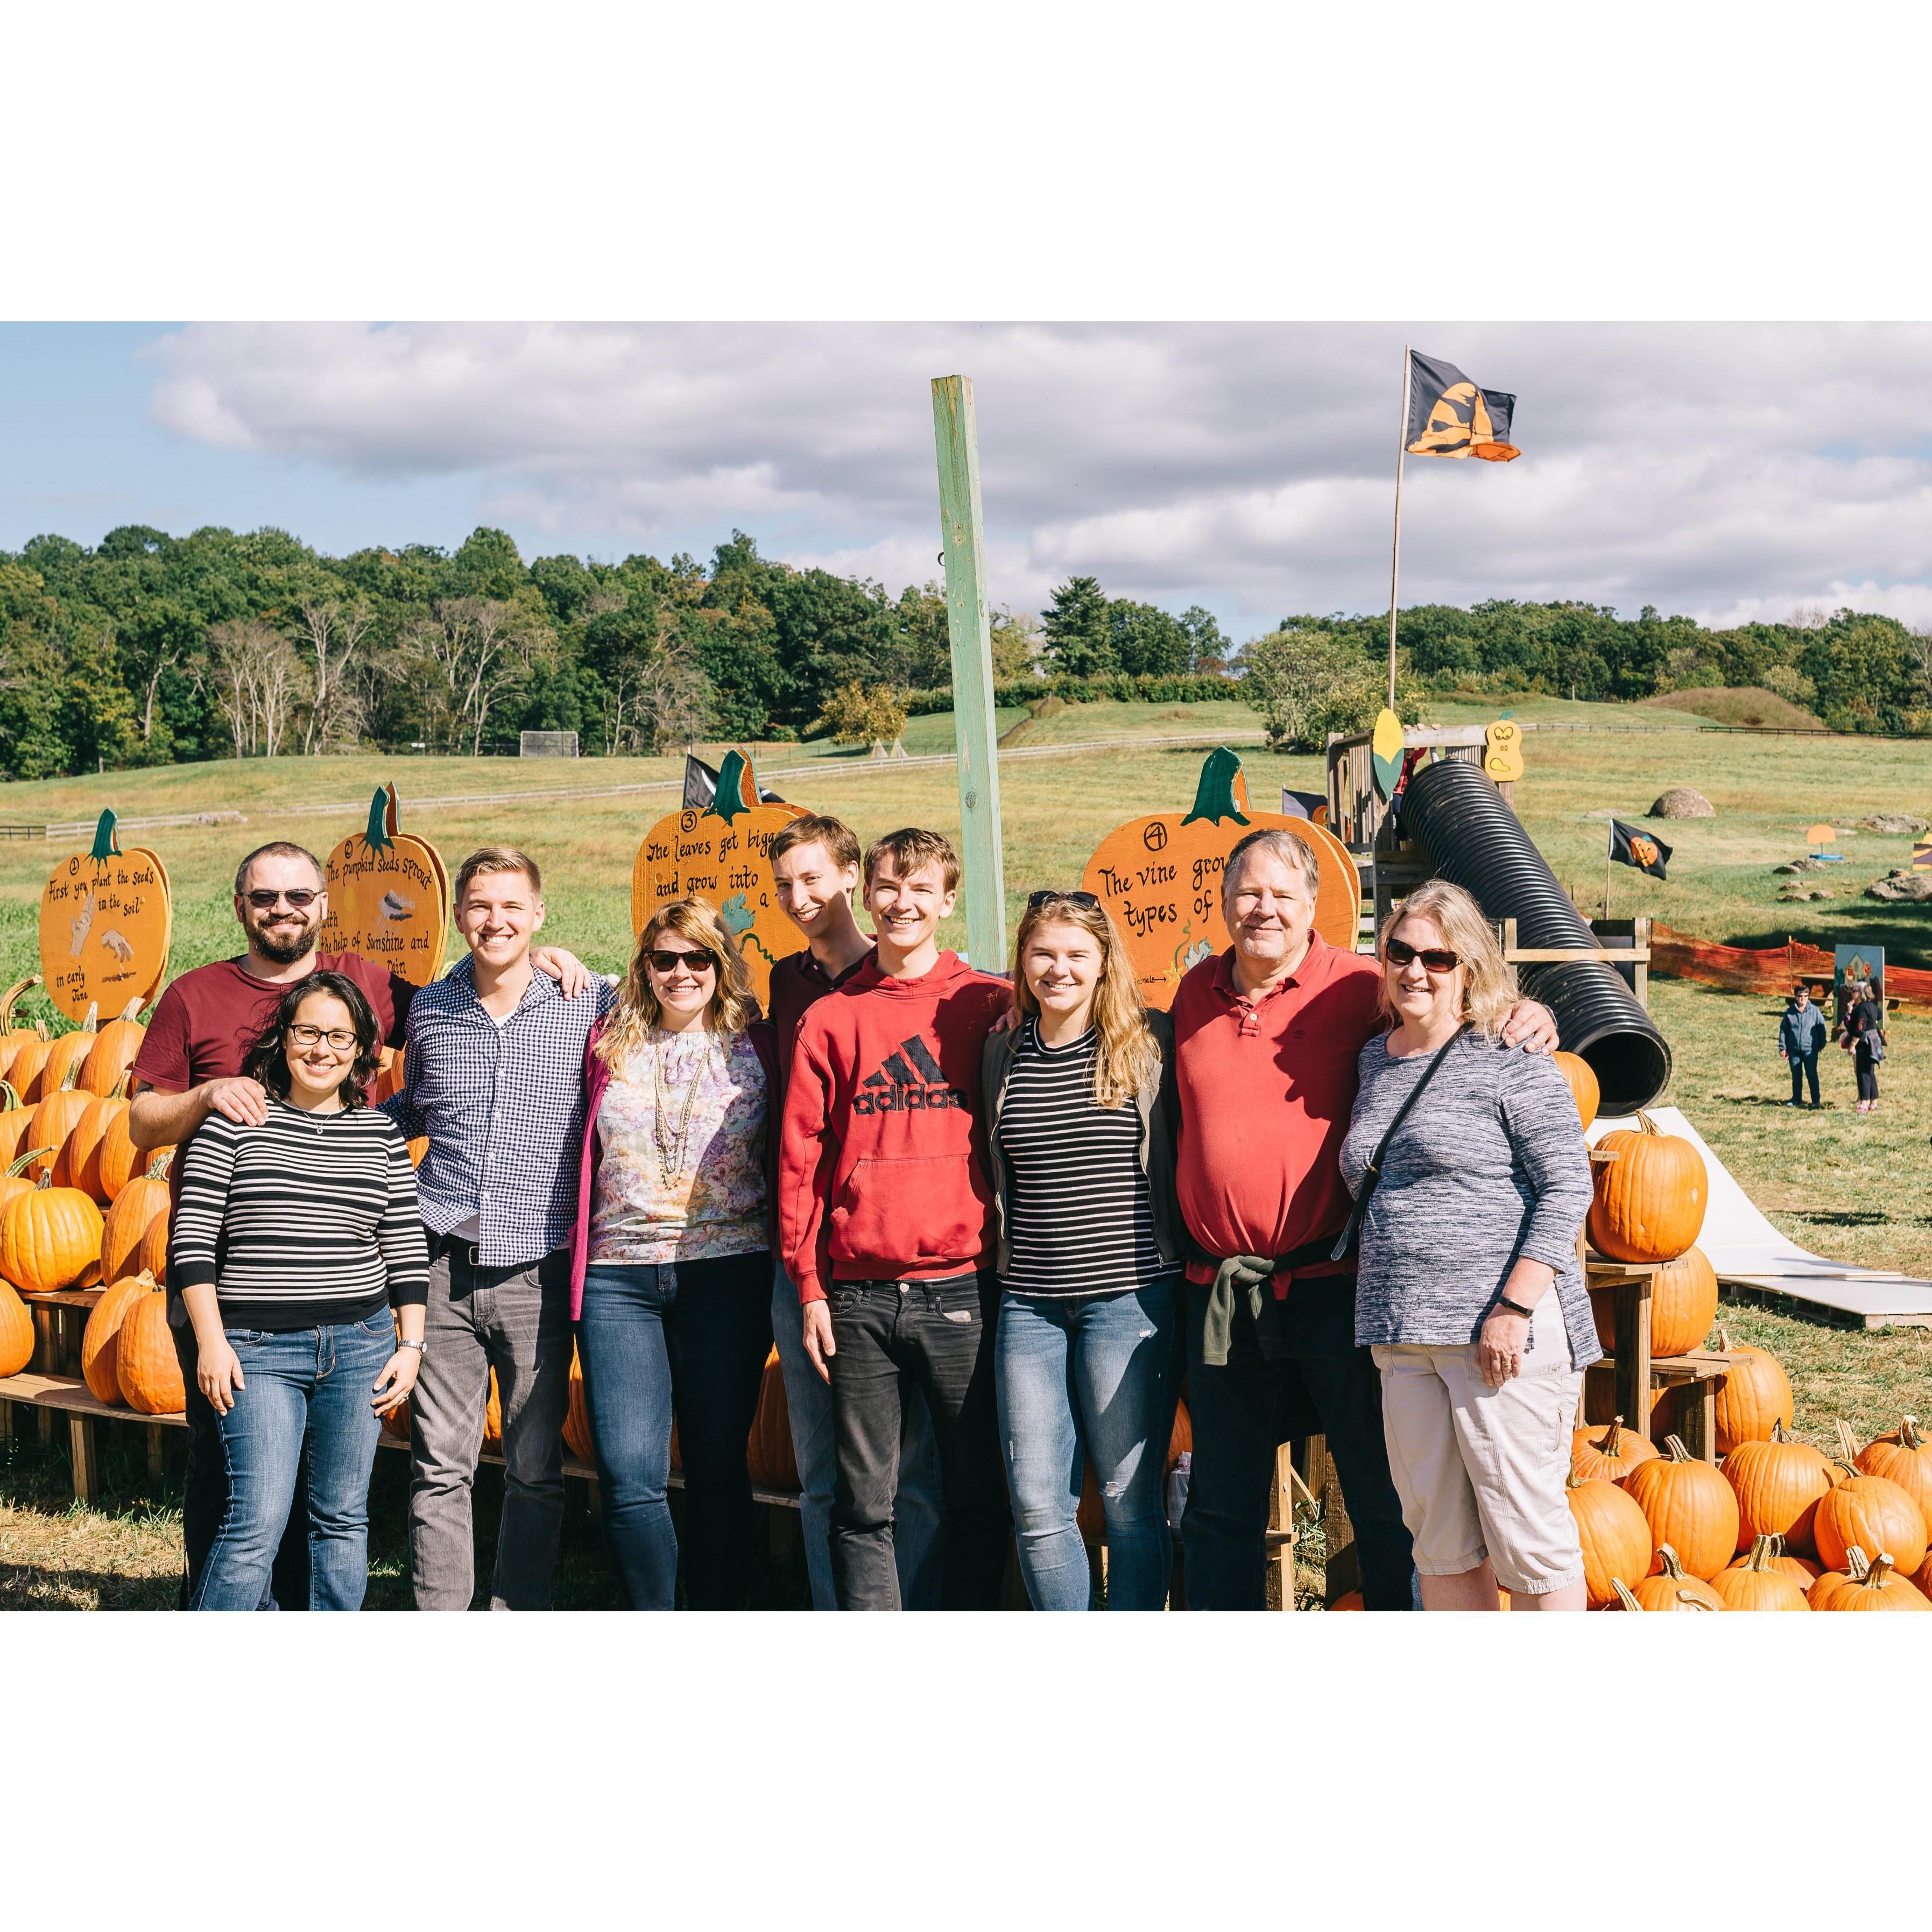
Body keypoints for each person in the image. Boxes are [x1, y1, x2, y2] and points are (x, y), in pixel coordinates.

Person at [126, 839, 588, 1607]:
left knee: (331, 1505)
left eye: (298, 896)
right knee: (234, 1488)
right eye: (265, 897)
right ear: (240, 906)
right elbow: (142, 1121)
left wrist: (541, 954)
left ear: (323, 904)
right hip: (230, 1288)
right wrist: (207, 1097)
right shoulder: (193, 995)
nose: (283, 910)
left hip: (355, 1299)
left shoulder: (377, 986)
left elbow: (469, 996)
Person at [1172, 827, 1560, 1611]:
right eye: (1248, 892)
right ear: (1221, 901)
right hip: (1219, 1293)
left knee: (1385, 1499)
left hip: (1336, 1288)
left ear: (1315, 906)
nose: (1264, 909)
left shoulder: (1358, 984)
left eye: (1282, 895)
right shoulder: (1191, 993)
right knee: (1220, 1503)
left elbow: (1455, 1004)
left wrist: (1530, 1010)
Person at [1342, 882, 1597, 1612]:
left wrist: (1513, 1305)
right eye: (1400, 951)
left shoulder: (1507, 1056)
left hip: (1496, 1333)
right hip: (1400, 1335)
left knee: (1530, 1541)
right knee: (1439, 1543)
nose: (1415, 969)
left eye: (1436, 957)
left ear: (1469, 967)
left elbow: (1566, 1186)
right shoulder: (1373, 1061)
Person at [778, 826, 1013, 1610]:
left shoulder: (988, 1003)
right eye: (887, 886)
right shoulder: (831, 1019)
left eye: (919, 889)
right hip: (860, 1294)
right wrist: (810, 1285)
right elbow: (800, 1162)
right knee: (862, 1501)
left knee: (976, 1492)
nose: (901, 902)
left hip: (961, 1288)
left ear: (947, 901)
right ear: (865, 895)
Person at [380, 847, 614, 1611]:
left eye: (513, 906)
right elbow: (414, 1107)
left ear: (539, 914)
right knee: (439, 1461)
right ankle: (441, 1614)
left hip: (538, 1265)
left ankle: (517, 1609)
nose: (496, 920)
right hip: (439, 1254)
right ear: (459, 915)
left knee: (533, 1464)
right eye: (480, 905)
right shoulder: (432, 1009)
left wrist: (565, 961)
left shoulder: (587, 1003)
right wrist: (327, 1132)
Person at [172, 974, 429, 1610]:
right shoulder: (235, 1120)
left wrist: (412, 1342)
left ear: (363, 1048)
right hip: (256, 1349)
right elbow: (192, 1242)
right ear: (283, 1038)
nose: (322, 1049)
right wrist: (211, 1341)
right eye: (308, 1031)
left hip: (360, 1347)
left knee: (342, 1520)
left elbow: (403, 1246)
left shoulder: (380, 1135)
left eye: (340, 1035)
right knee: (254, 1521)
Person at [569, 899, 779, 1609]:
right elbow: (501, 980)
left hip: (728, 1272)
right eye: (664, 958)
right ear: (644, 966)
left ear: (723, 965)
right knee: (627, 1472)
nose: (681, 972)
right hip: (616, 1277)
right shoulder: (604, 1039)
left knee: (718, 1461)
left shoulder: (762, 1043)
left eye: (698, 958)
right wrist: (547, 955)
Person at [982, 889, 1183, 1611]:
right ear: (1022, 960)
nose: (1057, 968)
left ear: (1104, 964)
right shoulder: (1000, 1050)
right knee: (1037, 1509)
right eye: (1043, 952)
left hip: (1128, 1301)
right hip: (1028, 1305)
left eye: (1075, 954)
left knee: (1130, 1502)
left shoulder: (1149, 1042)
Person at [766, 814, 943, 1611]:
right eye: (782, 885)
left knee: (909, 1469)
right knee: (821, 1468)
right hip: (807, 1251)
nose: (798, 896)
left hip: (903, 1258)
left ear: (849, 878)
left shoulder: (920, 984)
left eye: (812, 878)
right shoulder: (782, 983)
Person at [1779, 983, 1826, 1108]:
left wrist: (1821, 1044)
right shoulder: (1789, 1012)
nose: (1803, 999)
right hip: (1794, 1050)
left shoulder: (1815, 1011)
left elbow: (1822, 1028)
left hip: (1810, 1050)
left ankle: (1816, 1101)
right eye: (1800, 996)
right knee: (1796, 1075)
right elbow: (1784, 1030)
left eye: (1806, 996)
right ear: (1796, 997)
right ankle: (1796, 1099)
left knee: (1812, 1074)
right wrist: (1783, 1047)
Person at [1844, 980, 1886, 1113]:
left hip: (1865, 1043)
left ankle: (1864, 1103)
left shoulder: (1861, 1008)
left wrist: (1853, 1045)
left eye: (1854, 991)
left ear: (1861, 993)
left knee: (1863, 1073)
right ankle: (1874, 1103)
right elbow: (1879, 1014)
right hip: (1875, 1042)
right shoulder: (1871, 1006)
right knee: (1870, 1073)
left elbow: (1860, 1027)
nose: (1852, 994)